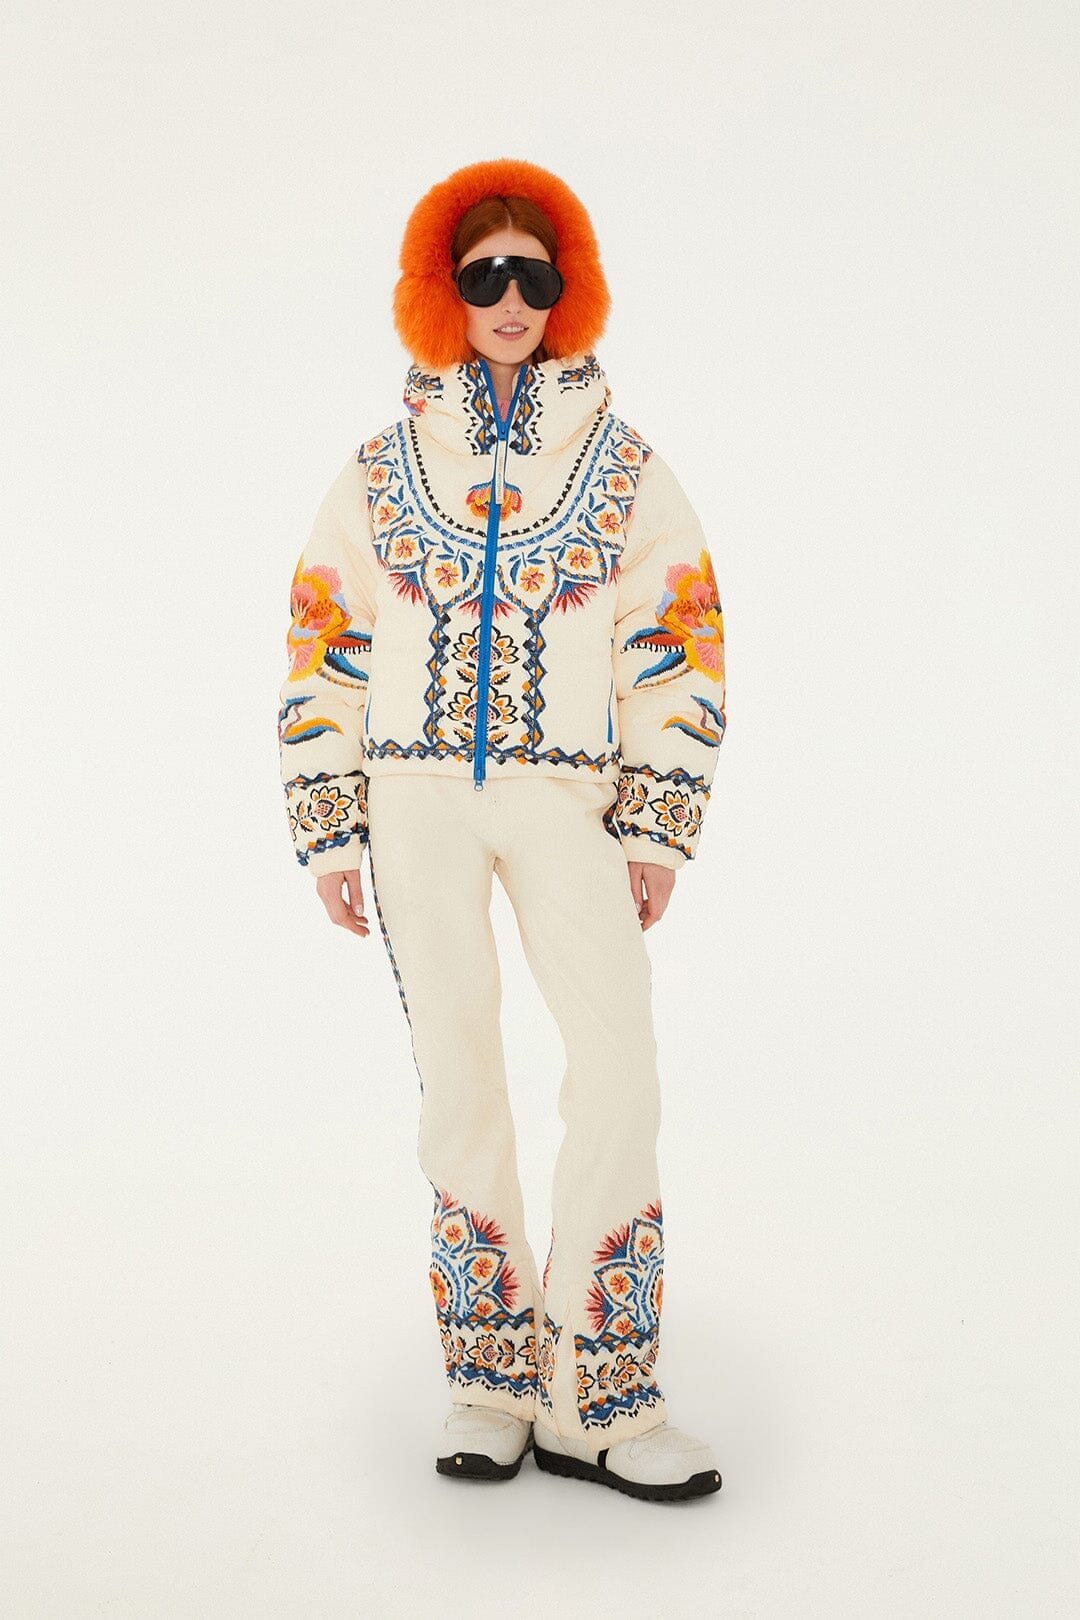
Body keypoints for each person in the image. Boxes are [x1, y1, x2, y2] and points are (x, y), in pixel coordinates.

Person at [277, 157, 727, 1502]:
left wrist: (657, 822)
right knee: (459, 1084)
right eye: (487, 277)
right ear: (446, 293)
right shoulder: (380, 468)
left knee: (620, 1072)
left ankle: (603, 1394)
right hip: (410, 805)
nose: (513, 299)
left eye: (536, 274)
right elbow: (325, 643)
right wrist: (330, 824)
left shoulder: (623, 465)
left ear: (567, 287)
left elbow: (679, 638)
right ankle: (489, 1381)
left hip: (568, 801)